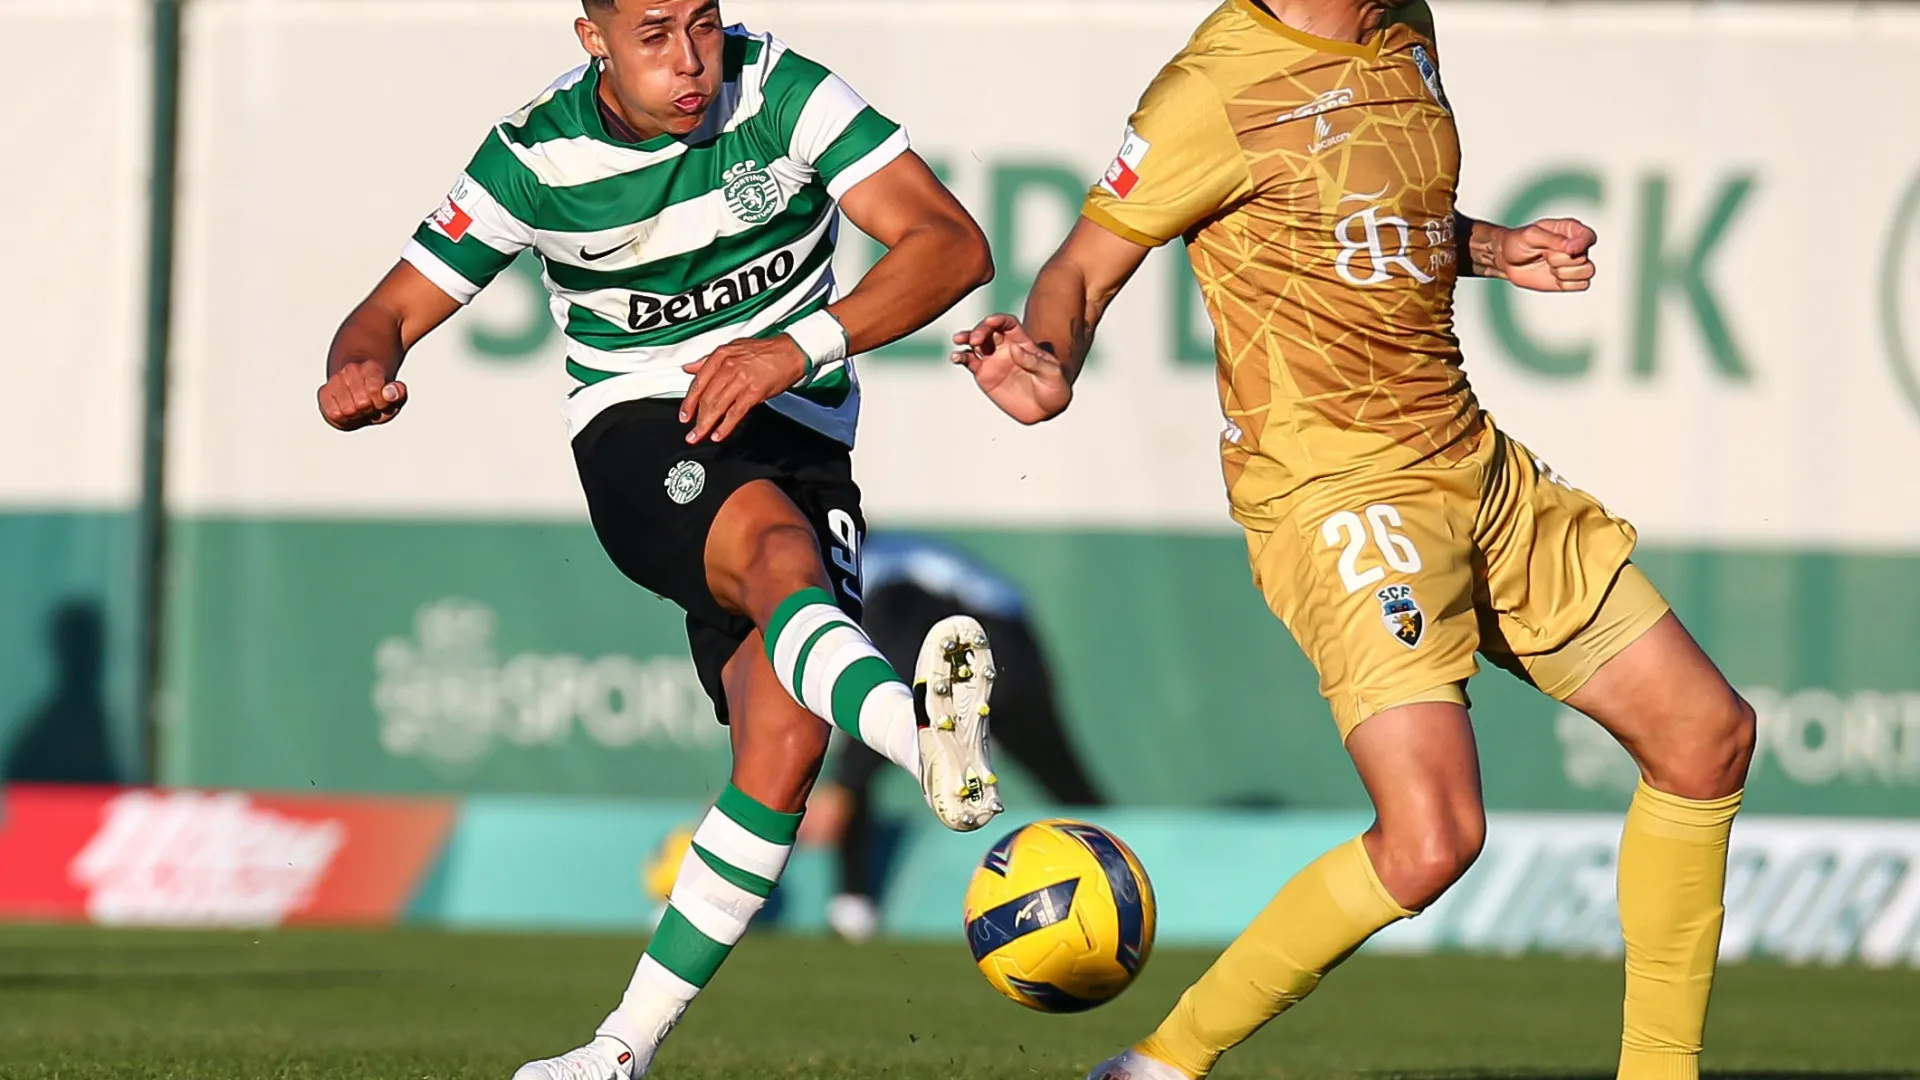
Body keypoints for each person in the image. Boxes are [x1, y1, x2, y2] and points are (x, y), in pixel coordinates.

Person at [951, 2, 1756, 1079]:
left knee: (1705, 738)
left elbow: (1380, 215)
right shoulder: (1213, 87)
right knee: (1432, 839)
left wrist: (1496, 246)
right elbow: (1085, 268)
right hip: (1340, 488)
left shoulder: (1404, 27)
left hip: (1471, 461)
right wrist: (1046, 356)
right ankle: (1159, 1065)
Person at [317, 3, 1004, 1077]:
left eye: (703, 26)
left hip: (800, 427)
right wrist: (357, 370)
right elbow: (387, 313)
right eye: (653, 35)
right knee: (779, 558)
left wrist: (794, 348)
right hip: (644, 424)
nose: (690, 62)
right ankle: (923, 739)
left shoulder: (779, 91)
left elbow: (953, 245)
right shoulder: (531, 154)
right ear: (591, 38)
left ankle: (615, 1052)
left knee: (781, 751)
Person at [800, 534, 1105, 942]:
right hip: (1019, 654)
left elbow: (905, 661)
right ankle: (1116, 882)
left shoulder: (875, 573)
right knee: (1072, 788)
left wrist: (842, 784)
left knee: (865, 749)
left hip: (979, 648)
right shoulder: (904, 550)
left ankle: (852, 907)